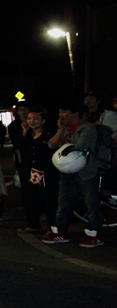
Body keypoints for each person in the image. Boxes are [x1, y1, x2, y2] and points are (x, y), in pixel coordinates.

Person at [42, 100, 108, 247]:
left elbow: (80, 146)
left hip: (87, 172)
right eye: (60, 112)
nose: (61, 115)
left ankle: (95, 234)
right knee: (64, 204)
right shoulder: (65, 128)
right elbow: (51, 145)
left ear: (75, 113)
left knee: (92, 204)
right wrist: (60, 130)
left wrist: (64, 147)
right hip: (67, 171)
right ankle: (61, 232)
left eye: (64, 112)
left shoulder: (88, 128)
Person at [18, 106, 58, 234]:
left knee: (49, 199)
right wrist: (24, 132)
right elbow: (20, 147)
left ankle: (53, 227)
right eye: (29, 118)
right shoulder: (28, 134)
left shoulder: (49, 134)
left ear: (43, 121)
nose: (32, 121)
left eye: (36, 119)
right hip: (30, 171)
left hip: (47, 171)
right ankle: (33, 224)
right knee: (30, 198)